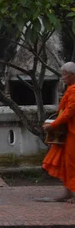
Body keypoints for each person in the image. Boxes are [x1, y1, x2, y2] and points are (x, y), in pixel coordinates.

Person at [40, 62, 75, 203]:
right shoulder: (70, 89)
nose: (62, 78)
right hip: (68, 131)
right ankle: (67, 192)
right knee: (66, 162)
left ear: (72, 75)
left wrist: (53, 125)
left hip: (73, 131)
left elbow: (69, 112)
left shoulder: (74, 90)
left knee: (72, 162)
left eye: (64, 75)